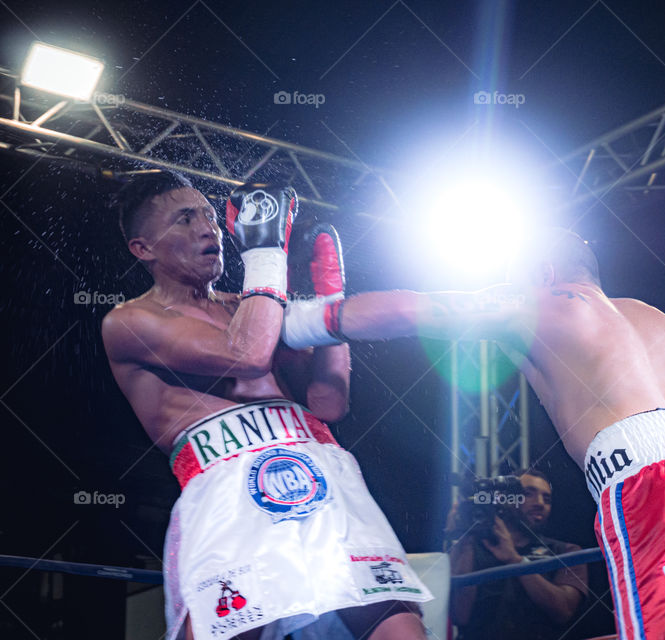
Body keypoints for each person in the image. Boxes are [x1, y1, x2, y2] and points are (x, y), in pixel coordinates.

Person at [282, 228, 665, 640]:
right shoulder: (659, 321)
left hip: (659, 490)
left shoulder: (542, 303)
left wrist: (299, 322)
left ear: (543, 271)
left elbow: (415, 310)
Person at [101, 171, 431, 640]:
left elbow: (328, 402)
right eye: (185, 219)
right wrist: (265, 254)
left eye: (212, 217)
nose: (207, 228)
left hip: (321, 470)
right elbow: (248, 356)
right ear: (143, 248)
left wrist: (328, 298)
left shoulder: (254, 305)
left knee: (400, 630)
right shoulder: (131, 320)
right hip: (228, 490)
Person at [448, 469, 587, 640]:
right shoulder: (470, 547)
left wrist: (515, 560)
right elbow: (459, 615)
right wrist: (465, 533)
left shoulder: (566, 552)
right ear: (504, 499)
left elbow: (564, 611)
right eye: (528, 494)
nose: (540, 503)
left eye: (547, 498)